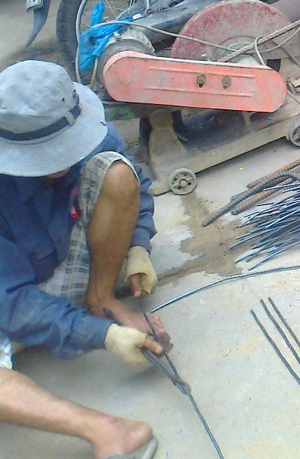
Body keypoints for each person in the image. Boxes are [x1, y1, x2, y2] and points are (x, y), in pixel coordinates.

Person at [0, 59, 168, 459]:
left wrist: (136, 247)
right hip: (8, 294)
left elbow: (137, 188)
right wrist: (102, 335)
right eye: (43, 158)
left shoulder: (85, 127)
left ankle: (100, 298)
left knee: (118, 173)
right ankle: (109, 431)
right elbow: (12, 303)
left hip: (47, 266)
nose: (60, 164)